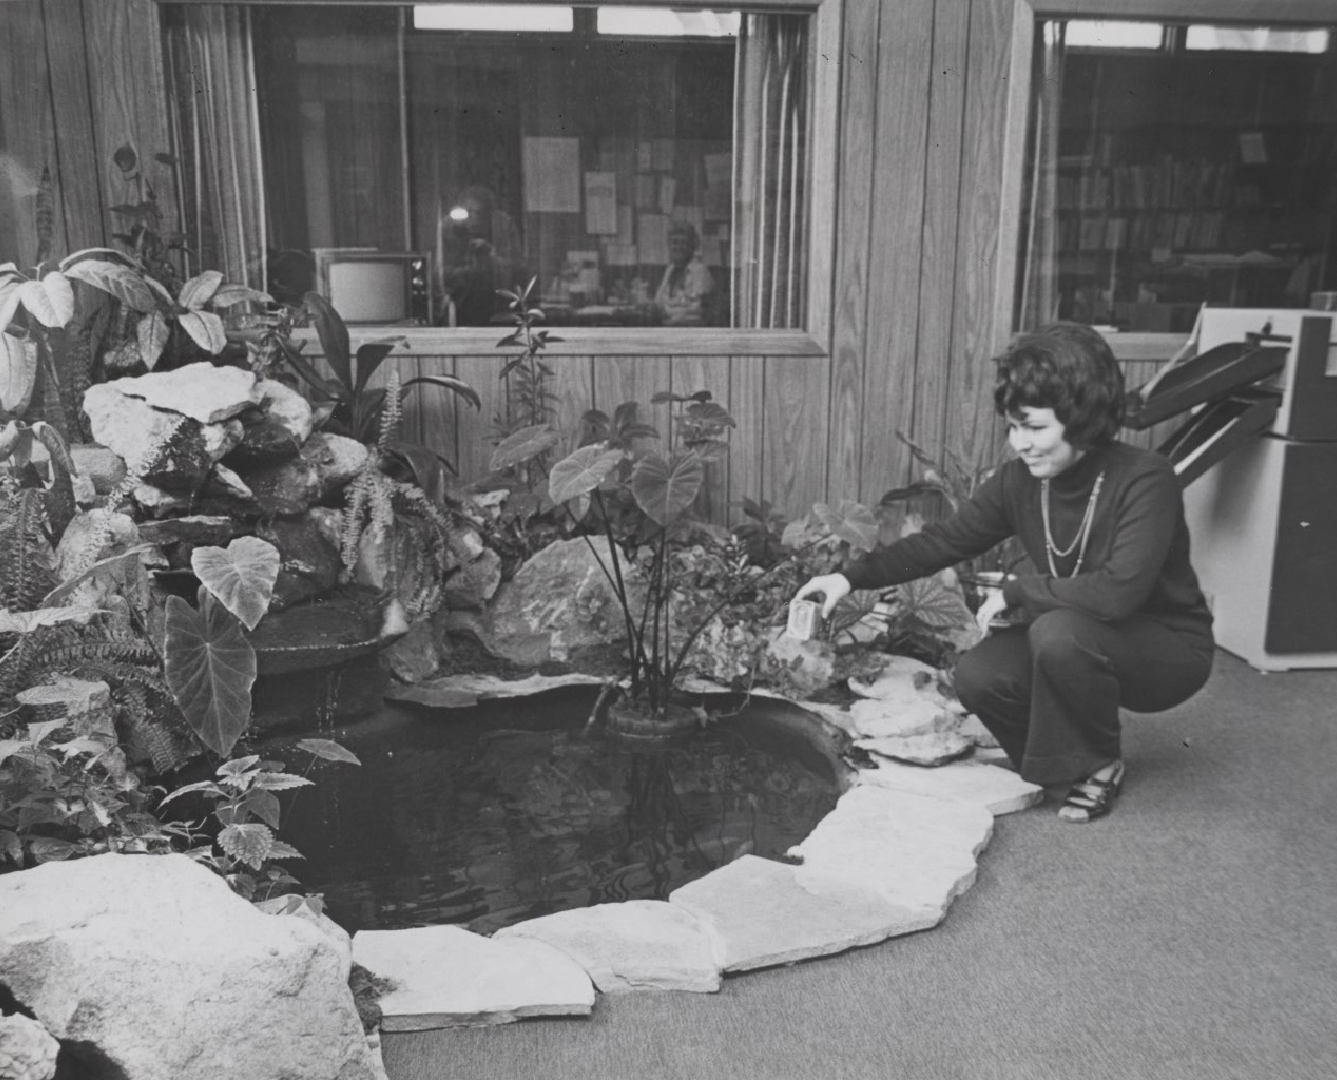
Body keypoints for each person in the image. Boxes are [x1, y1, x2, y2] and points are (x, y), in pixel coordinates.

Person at [794, 322, 1215, 822]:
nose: (1020, 444)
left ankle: (1100, 762)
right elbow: (945, 541)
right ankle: (1065, 761)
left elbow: (1118, 593)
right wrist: (849, 578)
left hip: (1165, 650)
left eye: (1035, 427)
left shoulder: (1146, 478)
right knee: (979, 675)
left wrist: (1018, 591)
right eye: (1013, 427)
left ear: (1081, 419)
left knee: (1058, 633)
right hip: (1080, 629)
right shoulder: (1020, 481)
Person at [654, 220, 714, 326]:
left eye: (683, 243)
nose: (678, 247)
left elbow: (698, 311)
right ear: (669, 245)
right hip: (668, 327)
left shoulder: (700, 271)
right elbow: (658, 303)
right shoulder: (670, 269)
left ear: (692, 246)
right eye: (674, 242)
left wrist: (670, 315)